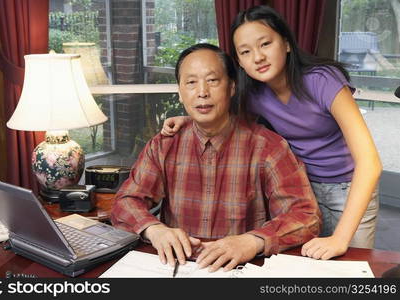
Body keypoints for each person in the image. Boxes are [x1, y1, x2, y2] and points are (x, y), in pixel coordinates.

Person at [161, 5, 382, 260]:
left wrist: (341, 238)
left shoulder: (323, 80)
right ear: (240, 62)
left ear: (286, 43)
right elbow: (217, 112)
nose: (257, 57)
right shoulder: (253, 94)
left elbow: (370, 162)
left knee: (350, 271)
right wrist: (187, 120)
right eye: (245, 51)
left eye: (265, 44)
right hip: (302, 191)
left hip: (349, 188)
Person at [111, 43, 321, 272]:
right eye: (191, 82)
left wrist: (253, 240)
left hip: (240, 270)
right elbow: (126, 202)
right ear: (180, 92)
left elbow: (306, 216)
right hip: (175, 268)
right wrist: (154, 230)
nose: (202, 92)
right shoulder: (164, 144)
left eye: (212, 80)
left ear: (231, 87)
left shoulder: (268, 147)